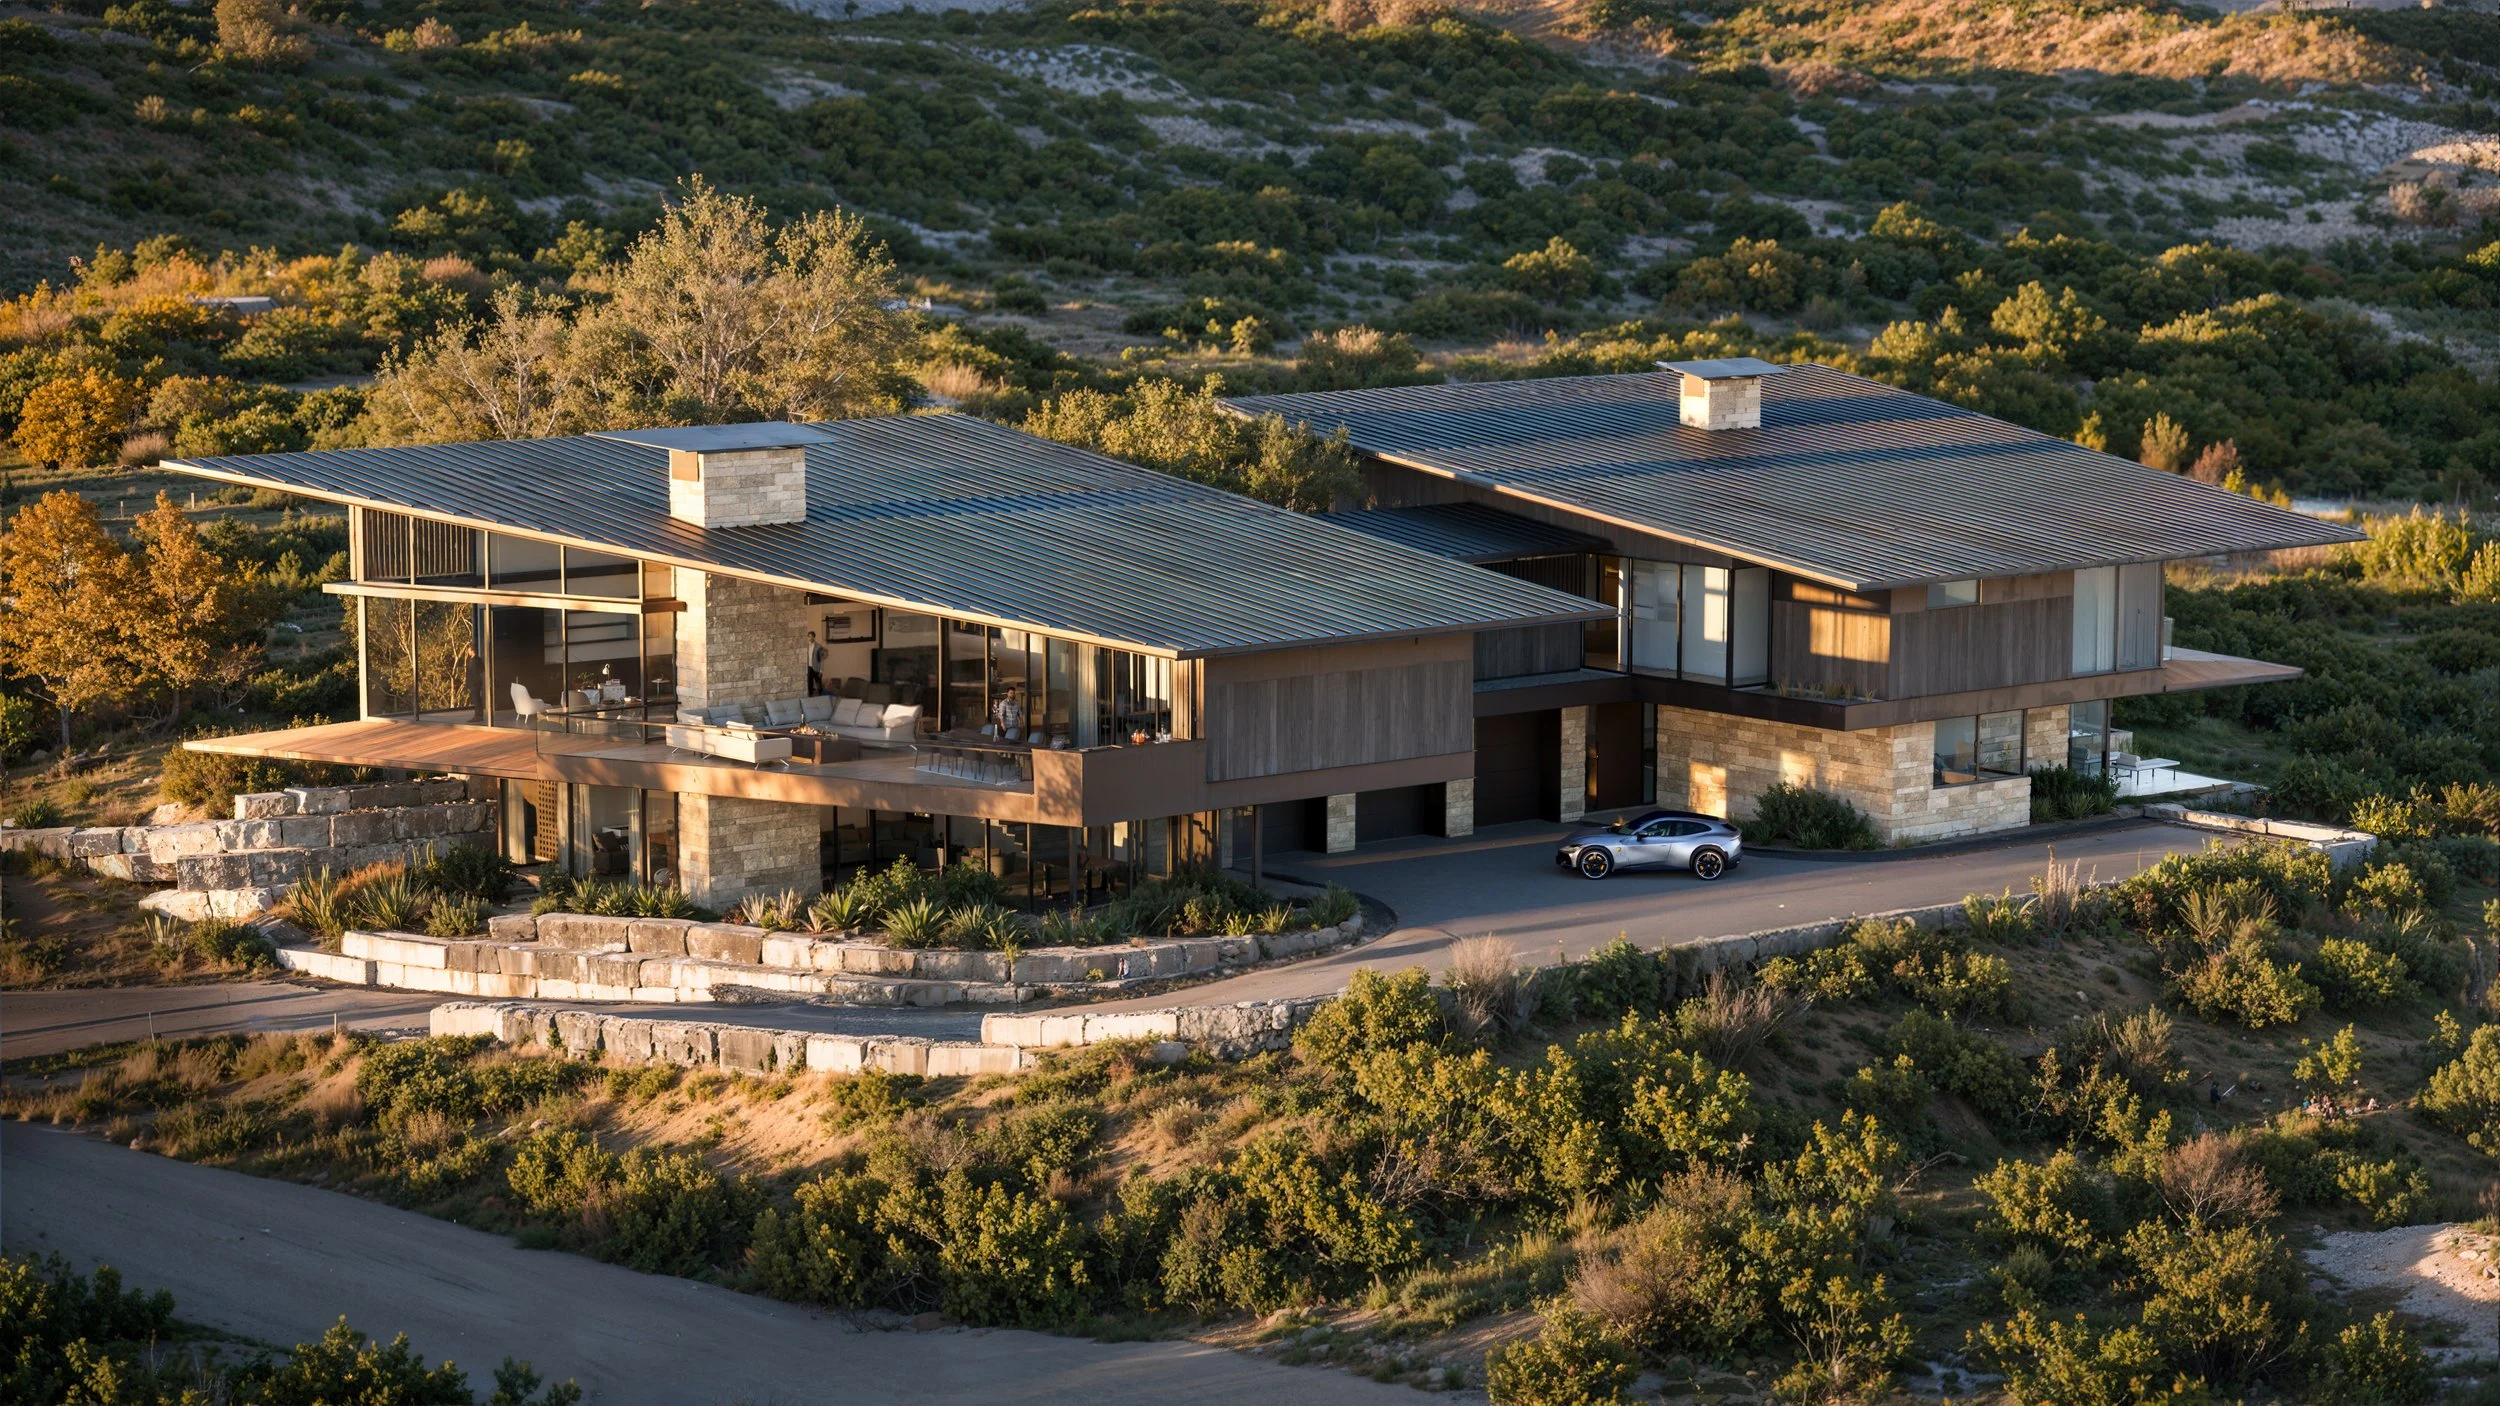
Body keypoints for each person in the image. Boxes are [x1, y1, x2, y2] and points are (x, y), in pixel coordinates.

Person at [804, 631, 825, 696]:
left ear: (814, 637)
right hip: (809, 667)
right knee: (810, 684)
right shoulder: (806, 646)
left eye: (811, 636)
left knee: (818, 683)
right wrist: (805, 669)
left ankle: (821, 695)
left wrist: (821, 670)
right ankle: (810, 696)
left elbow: (822, 659)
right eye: (809, 636)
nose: (810, 638)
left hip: (817, 668)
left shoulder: (819, 646)